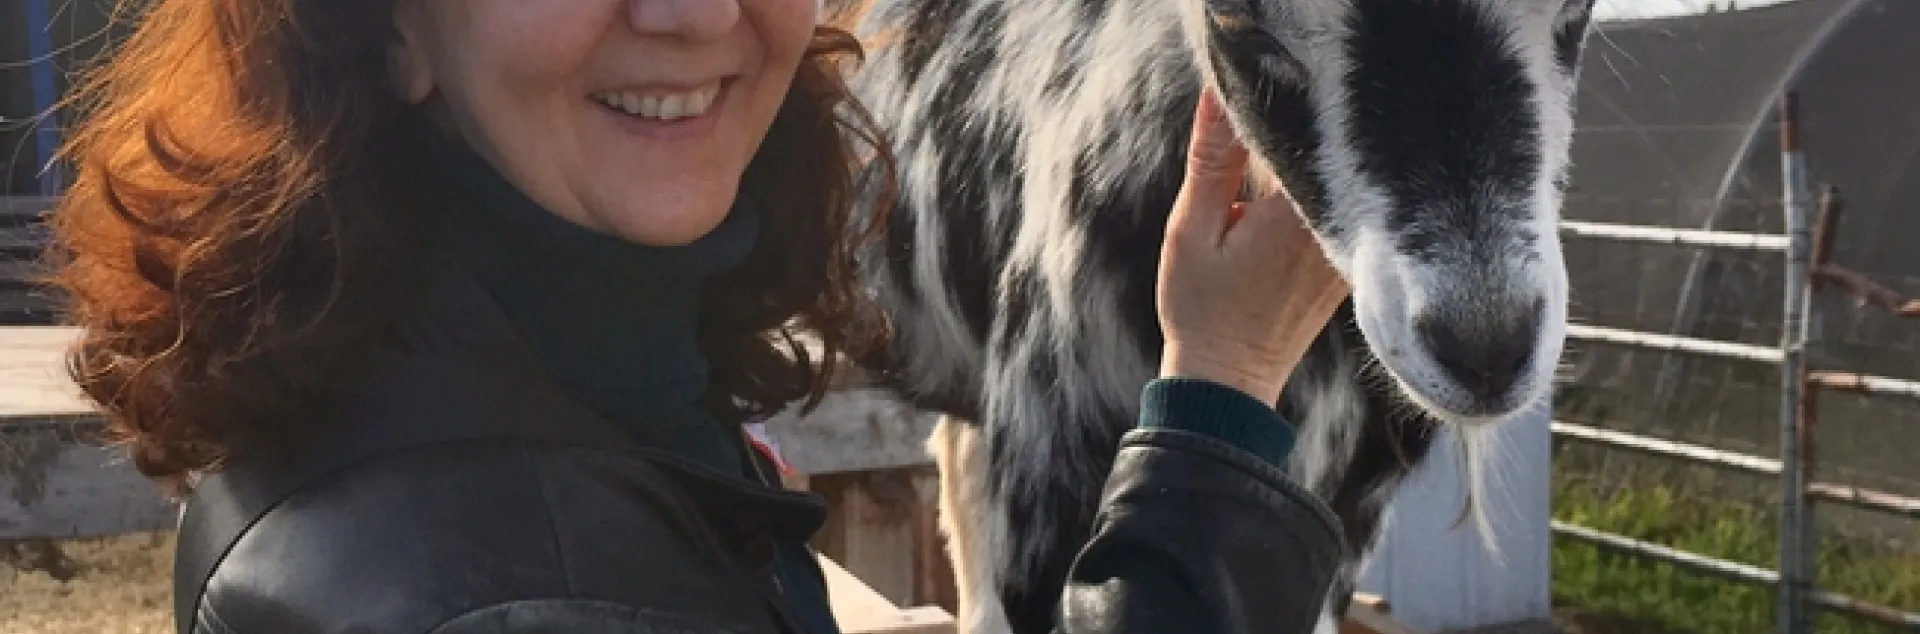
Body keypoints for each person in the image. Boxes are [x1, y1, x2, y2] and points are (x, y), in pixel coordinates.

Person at [44, 1, 1351, 633]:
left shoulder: (420, 356)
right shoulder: (514, 602)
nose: (689, 13)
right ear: (391, 31)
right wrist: (1223, 396)